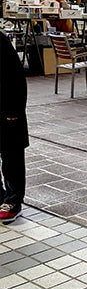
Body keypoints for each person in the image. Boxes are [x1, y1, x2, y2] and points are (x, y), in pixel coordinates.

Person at [0, 32, 28, 223]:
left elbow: (16, 78)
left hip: (7, 110)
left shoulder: (0, 43)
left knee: (11, 157)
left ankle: (13, 201)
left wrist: (14, 111)